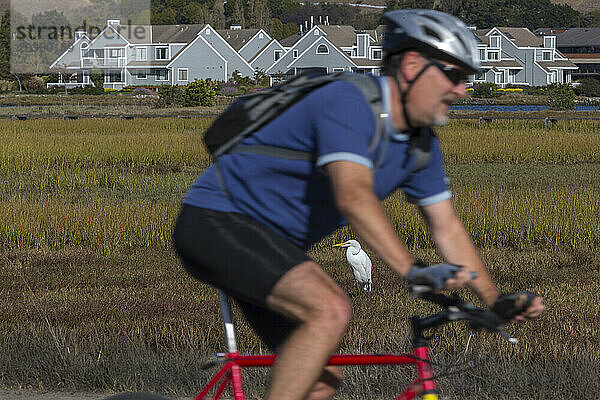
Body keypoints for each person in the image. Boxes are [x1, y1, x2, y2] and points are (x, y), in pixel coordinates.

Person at [173, 9, 545, 400]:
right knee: (330, 309)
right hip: (216, 223)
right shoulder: (348, 102)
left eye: (467, 79)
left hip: (274, 248)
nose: (462, 91)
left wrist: (493, 299)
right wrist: (412, 270)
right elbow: (353, 196)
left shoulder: (421, 147)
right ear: (412, 65)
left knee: (321, 379)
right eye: (454, 75)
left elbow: (446, 226)